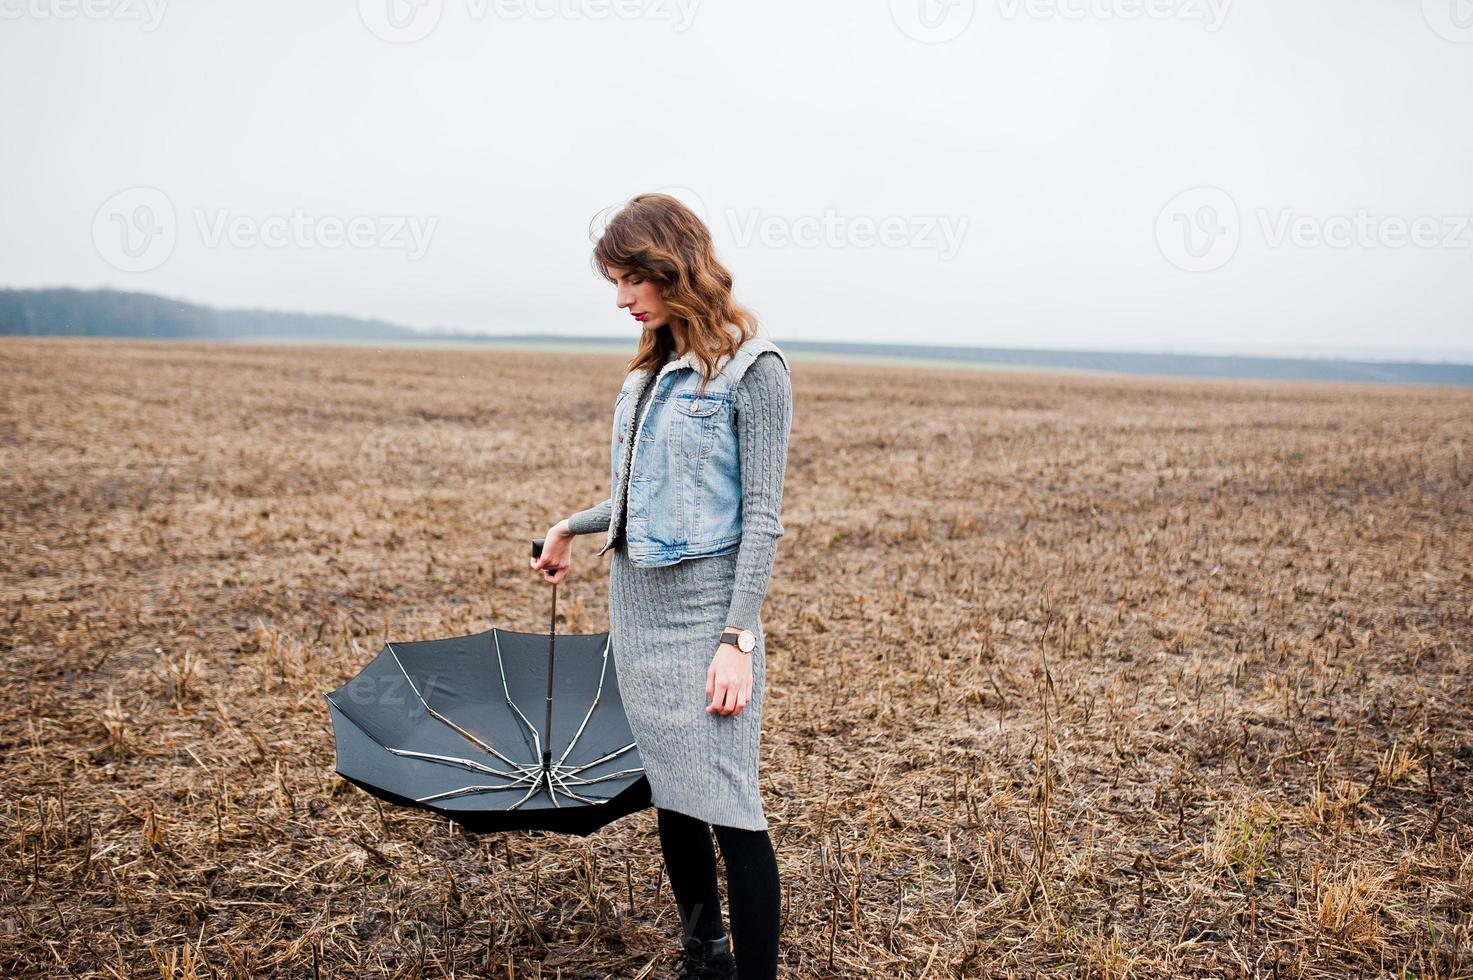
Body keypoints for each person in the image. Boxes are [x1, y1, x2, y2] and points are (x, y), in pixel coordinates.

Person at [531, 192, 792, 980]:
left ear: (668, 267)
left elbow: (762, 519)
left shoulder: (755, 369)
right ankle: (701, 948)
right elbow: (643, 494)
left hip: (705, 614)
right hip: (637, 613)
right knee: (673, 795)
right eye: (613, 282)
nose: (619, 299)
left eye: (627, 280)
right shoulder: (648, 374)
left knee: (732, 810)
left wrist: (735, 638)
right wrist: (569, 526)